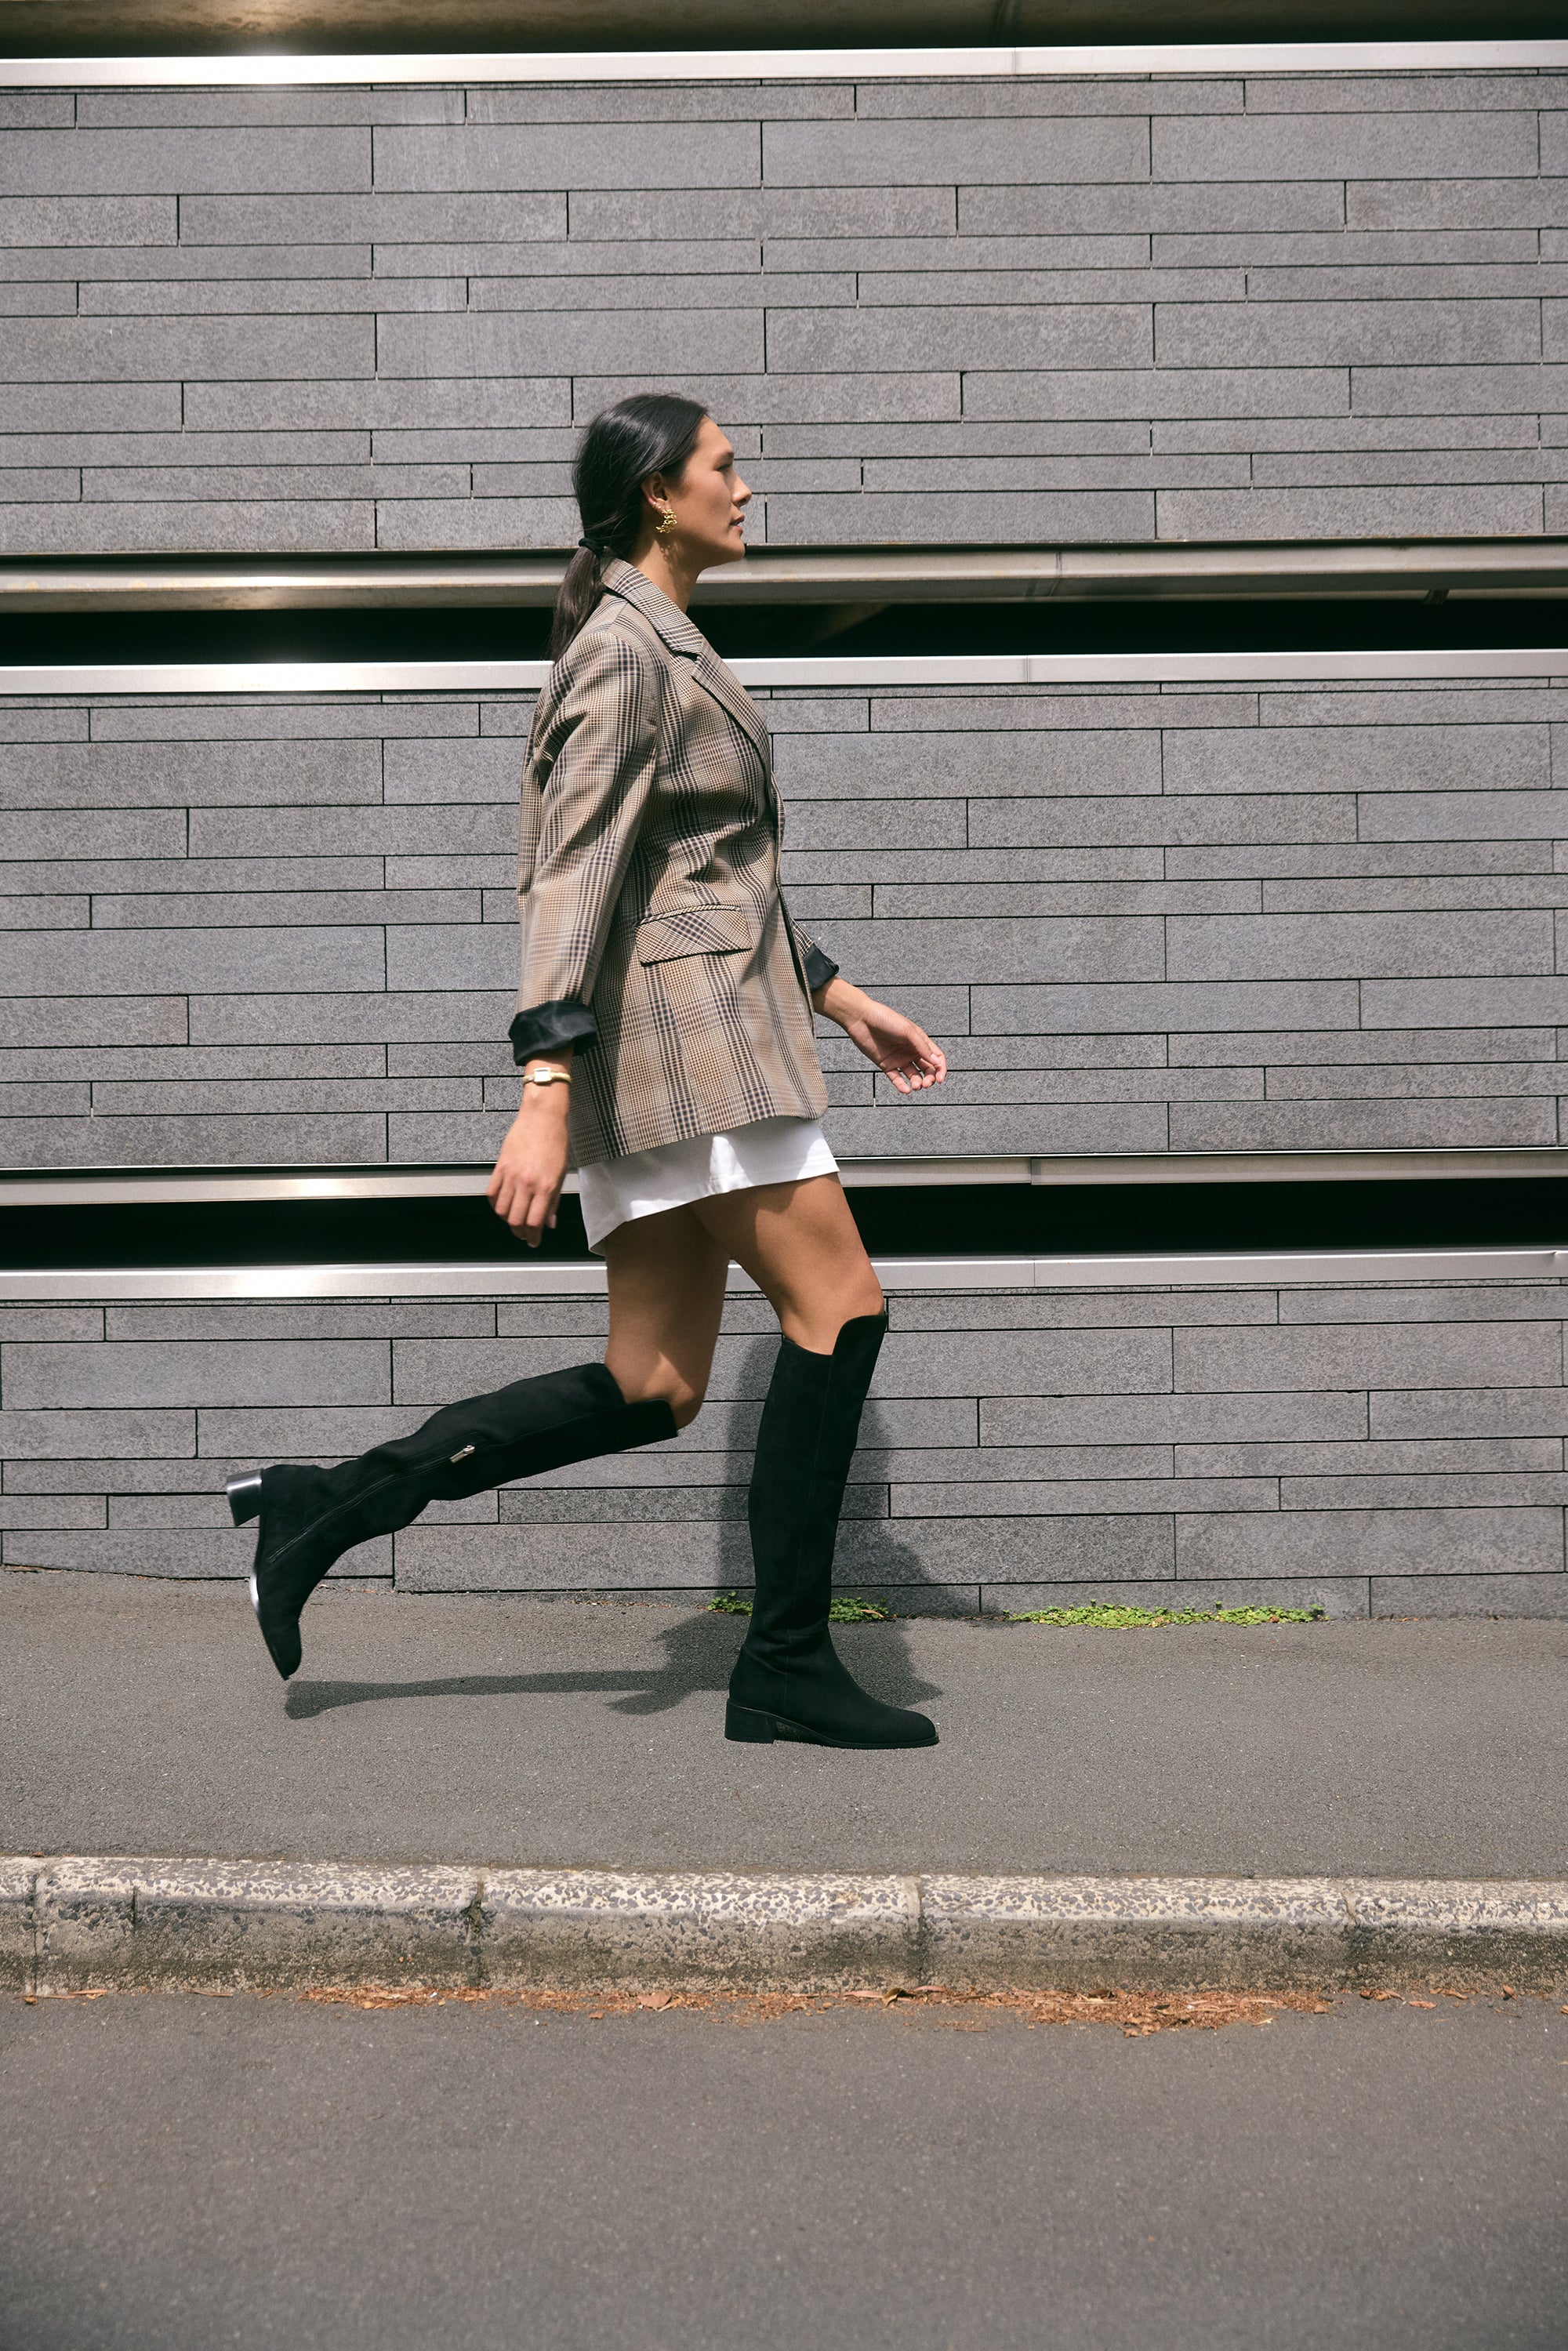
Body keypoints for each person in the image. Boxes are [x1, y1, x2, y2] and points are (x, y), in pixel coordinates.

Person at [227, 391, 947, 1749]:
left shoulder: (656, 642)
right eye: (726, 469)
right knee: (841, 1309)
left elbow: (698, 880)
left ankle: (321, 1506)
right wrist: (543, 1086)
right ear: (659, 497)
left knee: (655, 1383)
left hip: (696, 1042)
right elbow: (569, 877)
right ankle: (784, 1665)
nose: (748, 489)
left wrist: (842, 995)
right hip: (698, 1062)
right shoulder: (626, 654)